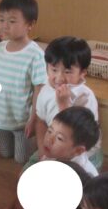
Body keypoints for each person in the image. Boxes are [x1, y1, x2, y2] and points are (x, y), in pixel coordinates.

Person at [0, 106, 100, 209]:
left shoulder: (80, 177)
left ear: (78, 150)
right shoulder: (51, 157)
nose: (49, 139)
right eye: (49, 131)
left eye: (59, 138)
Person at [0, 0, 47, 165]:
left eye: (12, 21)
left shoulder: (35, 54)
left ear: (30, 25)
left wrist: (33, 118)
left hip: (22, 120)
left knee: (21, 159)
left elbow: (39, 88)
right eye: (1, 20)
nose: (5, 26)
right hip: (1, 115)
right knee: (4, 154)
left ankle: (38, 144)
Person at [33, 35, 101, 169]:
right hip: (53, 146)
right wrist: (42, 150)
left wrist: (64, 104)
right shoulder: (46, 89)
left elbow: (82, 135)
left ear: (82, 73)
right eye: (54, 70)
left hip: (79, 153)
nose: (59, 78)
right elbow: (41, 121)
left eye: (68, 72)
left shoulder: (85, 97)